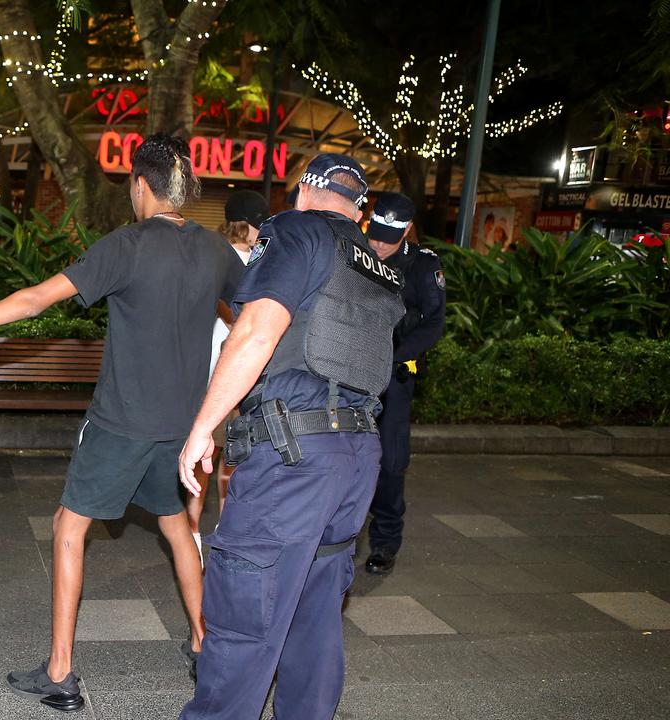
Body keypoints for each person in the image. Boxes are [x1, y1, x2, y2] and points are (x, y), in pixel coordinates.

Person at [0, 134, 244, 713]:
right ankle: (203, 646)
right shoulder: (216, 251)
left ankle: (61, 671)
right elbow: (252, 317)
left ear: (140, 185)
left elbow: (35, 299)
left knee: (69, 527)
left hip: (121, 422)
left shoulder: (126, 245)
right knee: (176, 526)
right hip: (183, 424)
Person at [177, 153, 404, 720]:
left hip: (293, 458)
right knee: (314, 616)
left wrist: (204, 426)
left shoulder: (296, 229)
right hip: (355, 458)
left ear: (304, 190)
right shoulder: (375, 265)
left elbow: (255, 331)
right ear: (358, 209)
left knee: (245, 620)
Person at [362, 193, 446, 576]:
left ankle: (384, 541)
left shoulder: (422, 266)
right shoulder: (354, 252)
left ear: (407, 230)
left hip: (394, 372)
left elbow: (434, 322)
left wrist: (396, 356)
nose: (378, 244)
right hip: (351, 366)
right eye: (374, 234)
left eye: (387, 238)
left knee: (391, 461)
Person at [185, 189, 269, 561]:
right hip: (238, 369)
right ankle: (222, 530)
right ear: (251, 225)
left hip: (209, 368)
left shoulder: (209, 253)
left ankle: (192, 534)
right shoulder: (256, 262)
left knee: (207, 453)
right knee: (231, 456)